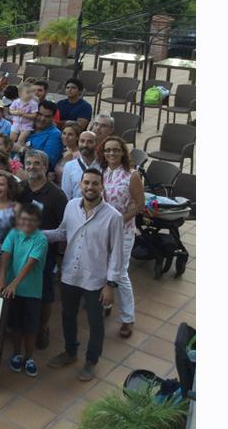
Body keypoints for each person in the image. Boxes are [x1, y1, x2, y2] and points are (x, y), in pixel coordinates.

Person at [43, 169, 125, 382]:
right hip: (70, 273)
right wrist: (37, 234)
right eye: (86, 183)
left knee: (95, 322)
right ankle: (70, 353)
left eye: (95, 183)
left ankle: (91, 360)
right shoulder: (71, 206)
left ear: (102, 186)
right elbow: (63, 233)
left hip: (96, 279)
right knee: (68, 315)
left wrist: (110, 285)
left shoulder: (113, 217)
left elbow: (117, 253)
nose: (90, 187)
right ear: (80, 185)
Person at [16, 149, 68, 351]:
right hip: (19, 251)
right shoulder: (20, 189)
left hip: (44, 255)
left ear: (46, 167)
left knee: (44, 293)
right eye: (28, 163)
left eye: (36, 163)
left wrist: (39, 236)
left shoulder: (56, 195)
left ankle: (43, 327)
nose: (31, 167)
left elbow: (65, 230)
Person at [0, 203, 48, 378]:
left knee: (30, 329)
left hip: (31, 291)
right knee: (15, 326)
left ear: (38, 222)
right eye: (23, 219)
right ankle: (16, 354)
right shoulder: (13, 233)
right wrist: (2, 278)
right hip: (11, 290)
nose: (26, 223)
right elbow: (6, 256)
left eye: (31, 220)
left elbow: (30, 264)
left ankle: (29, 357)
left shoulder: (41, 239)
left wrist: (14, 284)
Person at [98, 137, 145, 339]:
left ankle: (128, 318)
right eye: (108, 150)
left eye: (115, 150)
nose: (111, 154)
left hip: (124, 231)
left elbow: (139, 204)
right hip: (103, 230)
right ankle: (107, 302)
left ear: (123, 153)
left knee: (120, 273)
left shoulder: (131, 175)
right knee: (104, 268)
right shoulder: (104, 172)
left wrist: (120, 221)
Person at [61, 131, 100, 200]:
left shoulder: (103, 165)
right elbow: (66, 194)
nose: (85, 145)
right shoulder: (69, 166)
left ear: (96, 144)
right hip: (76, 208)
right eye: (82, 141)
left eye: (90, 142)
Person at [26, 101, 63, 170]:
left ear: (53, 117)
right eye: (39, 114)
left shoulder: (55, 135)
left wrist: (21, 149)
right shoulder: (26, 126)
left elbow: (47, 162)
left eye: (47, 116)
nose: (42, 119)